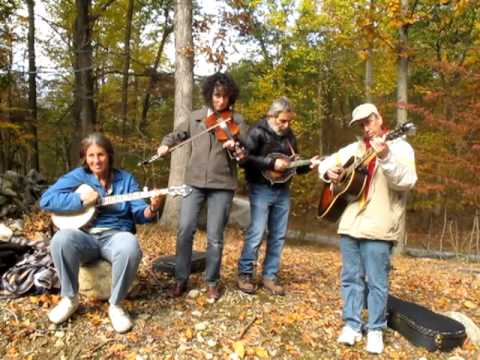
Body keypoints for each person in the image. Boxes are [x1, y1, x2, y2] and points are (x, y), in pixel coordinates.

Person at [317, 103, 417, 354]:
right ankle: (352, 325)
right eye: (361, 124)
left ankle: (375, 329)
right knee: (350, 278)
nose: (366, 128)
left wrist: (385, 157)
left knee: (377, 281)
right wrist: (328, 172)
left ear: (379, 118)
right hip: (351, 222)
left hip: (379, 224)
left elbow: (406, 181)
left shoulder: (400, 147)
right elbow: (325, 164)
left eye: (368, 121)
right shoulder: (355, 148)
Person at [40, 133, 163, 333]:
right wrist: (80, 201)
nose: (96, 160)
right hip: (84, 237)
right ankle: (70, 299)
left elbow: (140, 213)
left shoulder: (126, 179)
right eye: (91, 155)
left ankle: (116, 305)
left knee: (130, 245)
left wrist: (153, 208)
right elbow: (46, 200)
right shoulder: (78, 176)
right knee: (61, 239)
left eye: (101, 155)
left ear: (110, 155)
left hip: (116, 235)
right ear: (85, 157)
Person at [156, 72, 248, 302]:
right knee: (185, 229)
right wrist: (165, 145)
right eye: (217, 96)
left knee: (215, 236)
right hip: (194, 182)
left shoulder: (237, 121)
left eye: (226, 97)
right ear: (209, 95)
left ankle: (212, 282)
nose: (221, 102)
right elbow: (175, 135)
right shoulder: (195, 117)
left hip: (222, 183)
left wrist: (236, 147)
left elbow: (247, 151)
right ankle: (180, 278)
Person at [237, 97, 319, 296]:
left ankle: (270, 276)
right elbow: (244, 160)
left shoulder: (290, 137)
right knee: (257, 232)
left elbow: (294, 168)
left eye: (289, 121)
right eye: (283, 121)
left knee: (279, 235)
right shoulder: (256, 132)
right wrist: (270, 164)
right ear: (271, 116)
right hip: (260, 187)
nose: (286, 125)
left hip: (283, 190)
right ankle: (245, 274)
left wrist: (309, 165)